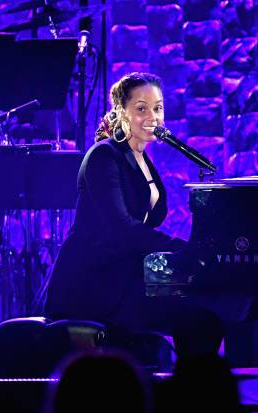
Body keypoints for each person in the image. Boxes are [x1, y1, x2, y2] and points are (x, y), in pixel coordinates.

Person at [44, 72, 223, 355]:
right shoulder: (104, 156)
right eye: (141, 108)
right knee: (196, 320)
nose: (152, 116)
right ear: (121, 112)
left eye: (158, 108)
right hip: (93, 282)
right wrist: (181, 249)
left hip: (125, 275)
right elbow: (122, 229)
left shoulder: (142, 159)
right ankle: (191, 389)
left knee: (205, 312)